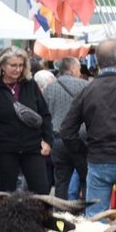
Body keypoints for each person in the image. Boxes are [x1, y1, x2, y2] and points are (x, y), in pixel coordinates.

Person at [61, 41, 116, 215]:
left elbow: (67, 131)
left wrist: (84, 151)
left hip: (98, 160)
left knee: (95, 218)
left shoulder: (87, 91)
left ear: (97, 62)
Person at [0, 47, 53, 195]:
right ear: (2, 66)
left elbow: (45, 114)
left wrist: (48, 140)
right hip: (5, 149)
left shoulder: (30, 85)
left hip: (32, 147)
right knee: (7, 195)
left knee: (42, 191)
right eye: (13, 65)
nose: (18, 69)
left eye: (21, 65)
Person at [43, 55, 89, 201]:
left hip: (57, 141)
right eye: (79, 69)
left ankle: (60, 210)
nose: (80, 72)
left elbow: (44, 115)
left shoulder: (49, 88)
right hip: (80, 140)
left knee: (61, 181)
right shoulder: (85, 86)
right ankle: (86, 210)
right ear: (73, 68)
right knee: (86, 179)